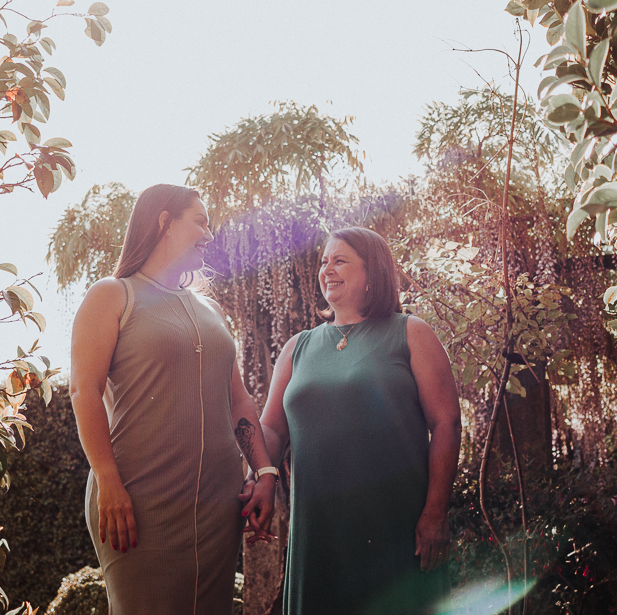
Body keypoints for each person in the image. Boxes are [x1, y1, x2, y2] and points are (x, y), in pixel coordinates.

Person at [70, 183, 278, 615]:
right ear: (165, 221)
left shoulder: (211, 310)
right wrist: (108, 481)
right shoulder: (113, 294)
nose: (210, 234)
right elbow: (83, 391)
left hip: (219, 507)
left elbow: (239, 401)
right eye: (200, 222)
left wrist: (265, 473)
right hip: (137, 503)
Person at [257, 226, 462, 615]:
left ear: (373, 273)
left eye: (340, 261)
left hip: (393, 526)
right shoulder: (297, 347)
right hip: (316, 531)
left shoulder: (410, 332)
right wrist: (262, 476)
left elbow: (447, 423)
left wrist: (435, 513)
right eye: (323, 262)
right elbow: (271, 428)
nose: (327, 270)